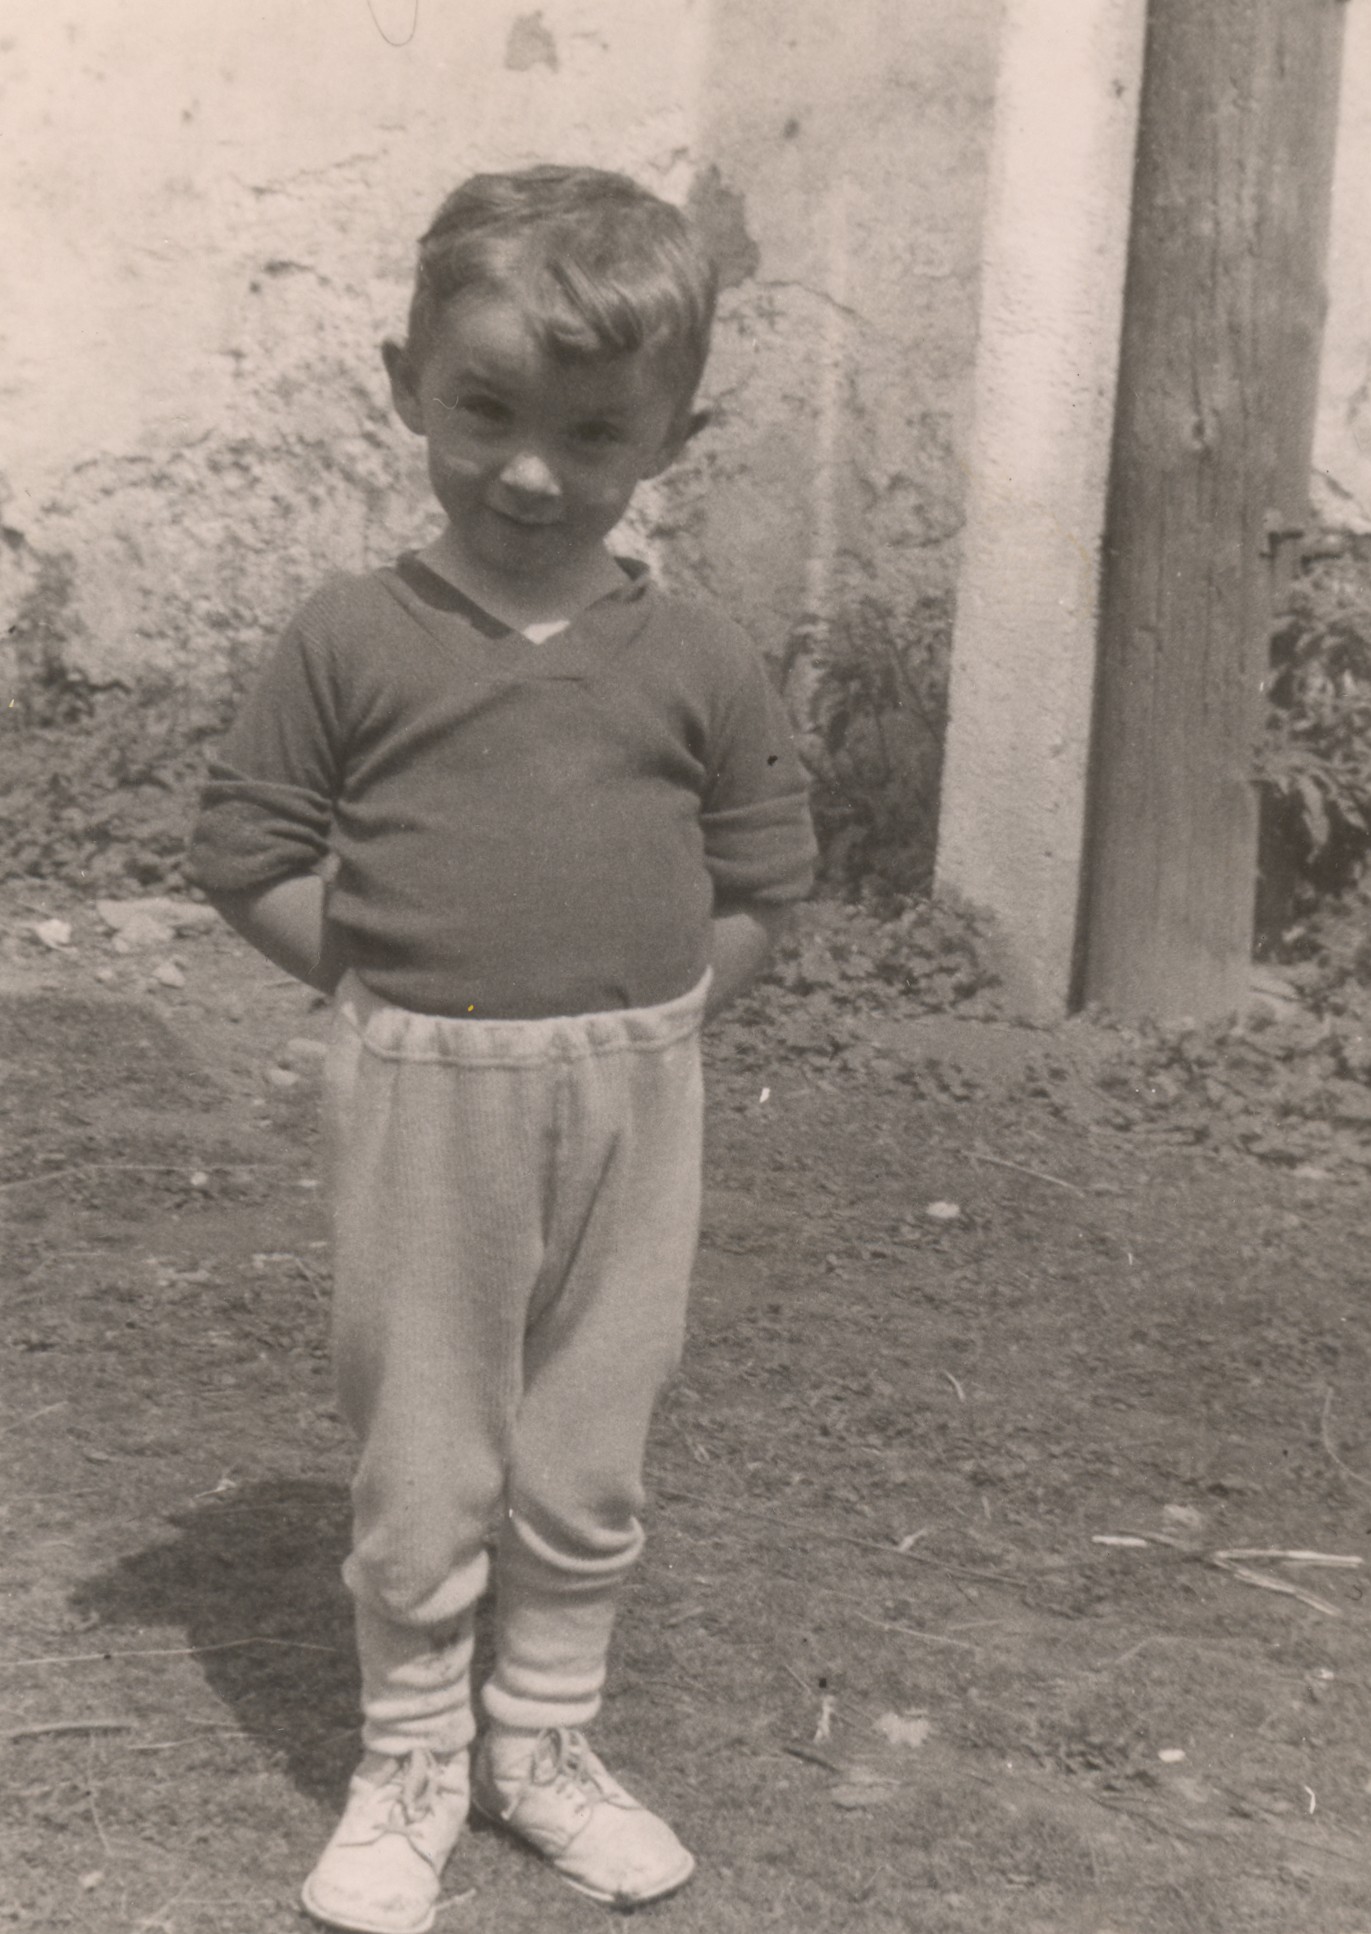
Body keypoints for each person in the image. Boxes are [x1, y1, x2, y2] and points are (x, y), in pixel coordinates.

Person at [188, 163, 816, 1934]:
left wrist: (659, 1020)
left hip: (636, 1097)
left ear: (672, 437)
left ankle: (540, 1740)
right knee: (428, 1443)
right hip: (424, 1101)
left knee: (587, 1440)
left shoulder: (696, 654)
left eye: (594, 432)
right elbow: (246, 851)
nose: (532, 472)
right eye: (486, 411)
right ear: (407, 385)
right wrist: (390, 994)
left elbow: (766, 876)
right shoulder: (351, 636)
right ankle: (411, 1760)